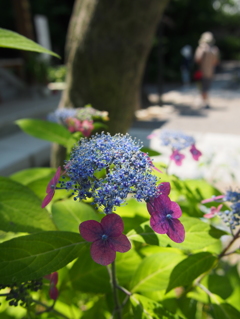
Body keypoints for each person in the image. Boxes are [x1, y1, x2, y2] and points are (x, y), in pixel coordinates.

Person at [194, 32, 219, 109]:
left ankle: (204, 102)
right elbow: (216, 61)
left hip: (202, 71)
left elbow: (197, 59)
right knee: (206, 87)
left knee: (202, 87)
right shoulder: (214, 49)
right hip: (210, 71)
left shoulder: (201, 48)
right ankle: (205, 101)